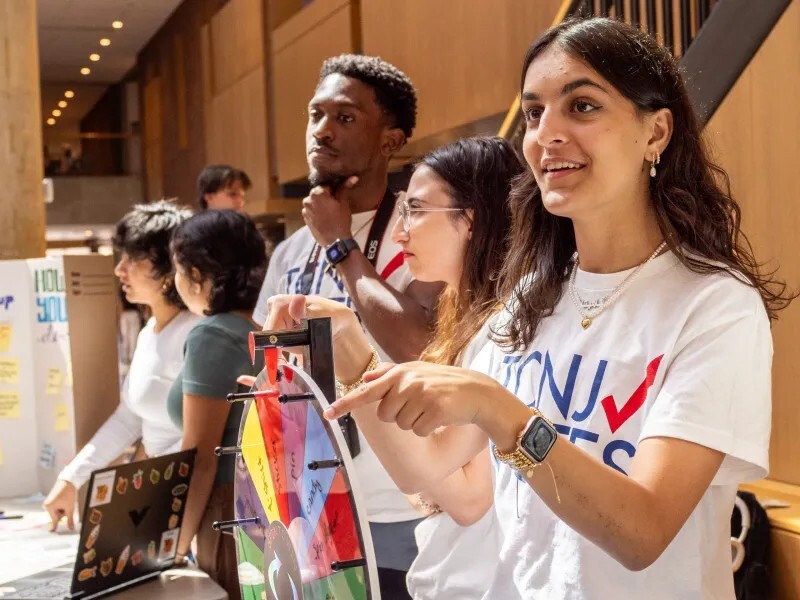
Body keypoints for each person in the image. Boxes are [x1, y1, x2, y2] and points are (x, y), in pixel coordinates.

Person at [323, 17, 794, 599]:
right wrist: (351, 358)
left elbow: (641, 533)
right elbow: (433, 468)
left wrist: (503, 414)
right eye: (535, 112)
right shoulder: (533, 296)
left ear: (656, 133)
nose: (547, 133)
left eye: (583, 106)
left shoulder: (714, 306)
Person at [266, 136, 523, 598]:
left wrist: (356, 357)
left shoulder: (504, 332)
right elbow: (427, 492)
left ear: (471, 219)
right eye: (404, 211)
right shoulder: (460, 325)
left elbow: (466, 498)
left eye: (418, 211)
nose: (402, 232)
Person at [254, 54, 441, 597]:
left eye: (346, 117)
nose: (322, 131)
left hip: (401, 505)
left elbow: (418, 346)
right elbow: (269, 366)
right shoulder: (290, 250)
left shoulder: (422, 230)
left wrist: (341, 245)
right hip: (309, 507)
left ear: (390, 140)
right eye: (316, 114)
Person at [43, 200, 198, 530]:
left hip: (189, 505)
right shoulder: (148, 334)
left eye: (132, 259)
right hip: (159, 500)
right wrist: (72, 478)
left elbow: (203, 436)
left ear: (169, 269)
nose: (119, 269)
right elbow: (128, 418)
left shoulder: (198, 334)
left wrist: (145, 482)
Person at [167, 209, 267, 600]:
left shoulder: (212, 334)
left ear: (196, 274)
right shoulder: (259, 328)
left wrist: (173, 548)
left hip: (228, 514)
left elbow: (201, 456)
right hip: (264, 505)